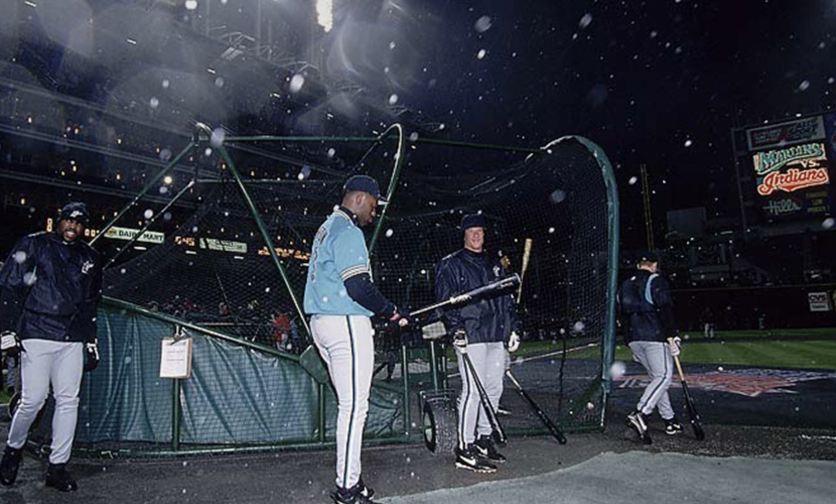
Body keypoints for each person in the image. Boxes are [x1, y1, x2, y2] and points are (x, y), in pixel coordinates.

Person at [304, 175, 410, 504]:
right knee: (354, 409)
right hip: (345, 322)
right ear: (360, 198)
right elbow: (359, 287)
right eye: (375, 204)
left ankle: (351, 477)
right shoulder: (348, 231)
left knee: (348, 408)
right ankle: (347, 489)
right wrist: (391, 310)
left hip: (323, 322)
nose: (375, 211)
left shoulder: (327, 227)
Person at [0, 202, 102, 491]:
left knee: (69, 401)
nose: (74, 226)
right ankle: (13, 449)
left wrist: (91, 339)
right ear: (58, 221)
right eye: (69, 220)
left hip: (71, 337)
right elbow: (9, 286)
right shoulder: (34, 245)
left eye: (80, 222)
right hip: (36, 330)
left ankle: (58, 466)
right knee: (33, 399)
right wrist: (7, 329)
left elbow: (90, 302)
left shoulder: (90, 256)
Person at [434, 214, 521, 473]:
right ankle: (464, 447)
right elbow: (444, 300)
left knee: (494, 389)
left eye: (479, 232)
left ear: (484, 234)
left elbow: (507, 299)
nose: (476, 236)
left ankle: (483, 439)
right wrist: (455, 329)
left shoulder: (495, 263)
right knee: (473, 390)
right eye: (471, 232)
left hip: (496, 334)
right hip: (471, 334)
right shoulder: (451, 264)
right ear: (464, 235)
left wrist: (514, 328)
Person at [617, 253, 683, 444]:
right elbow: (664, 308)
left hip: (633, 338)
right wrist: (673, 335)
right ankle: (641, 413)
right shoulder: (656, 280)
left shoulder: (625, 284)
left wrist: (630, 341)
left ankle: (670, 420)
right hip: (654, 335)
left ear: (638, 265)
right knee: (663, 377)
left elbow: (621, 312)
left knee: (657, 378)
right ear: (653, 265)